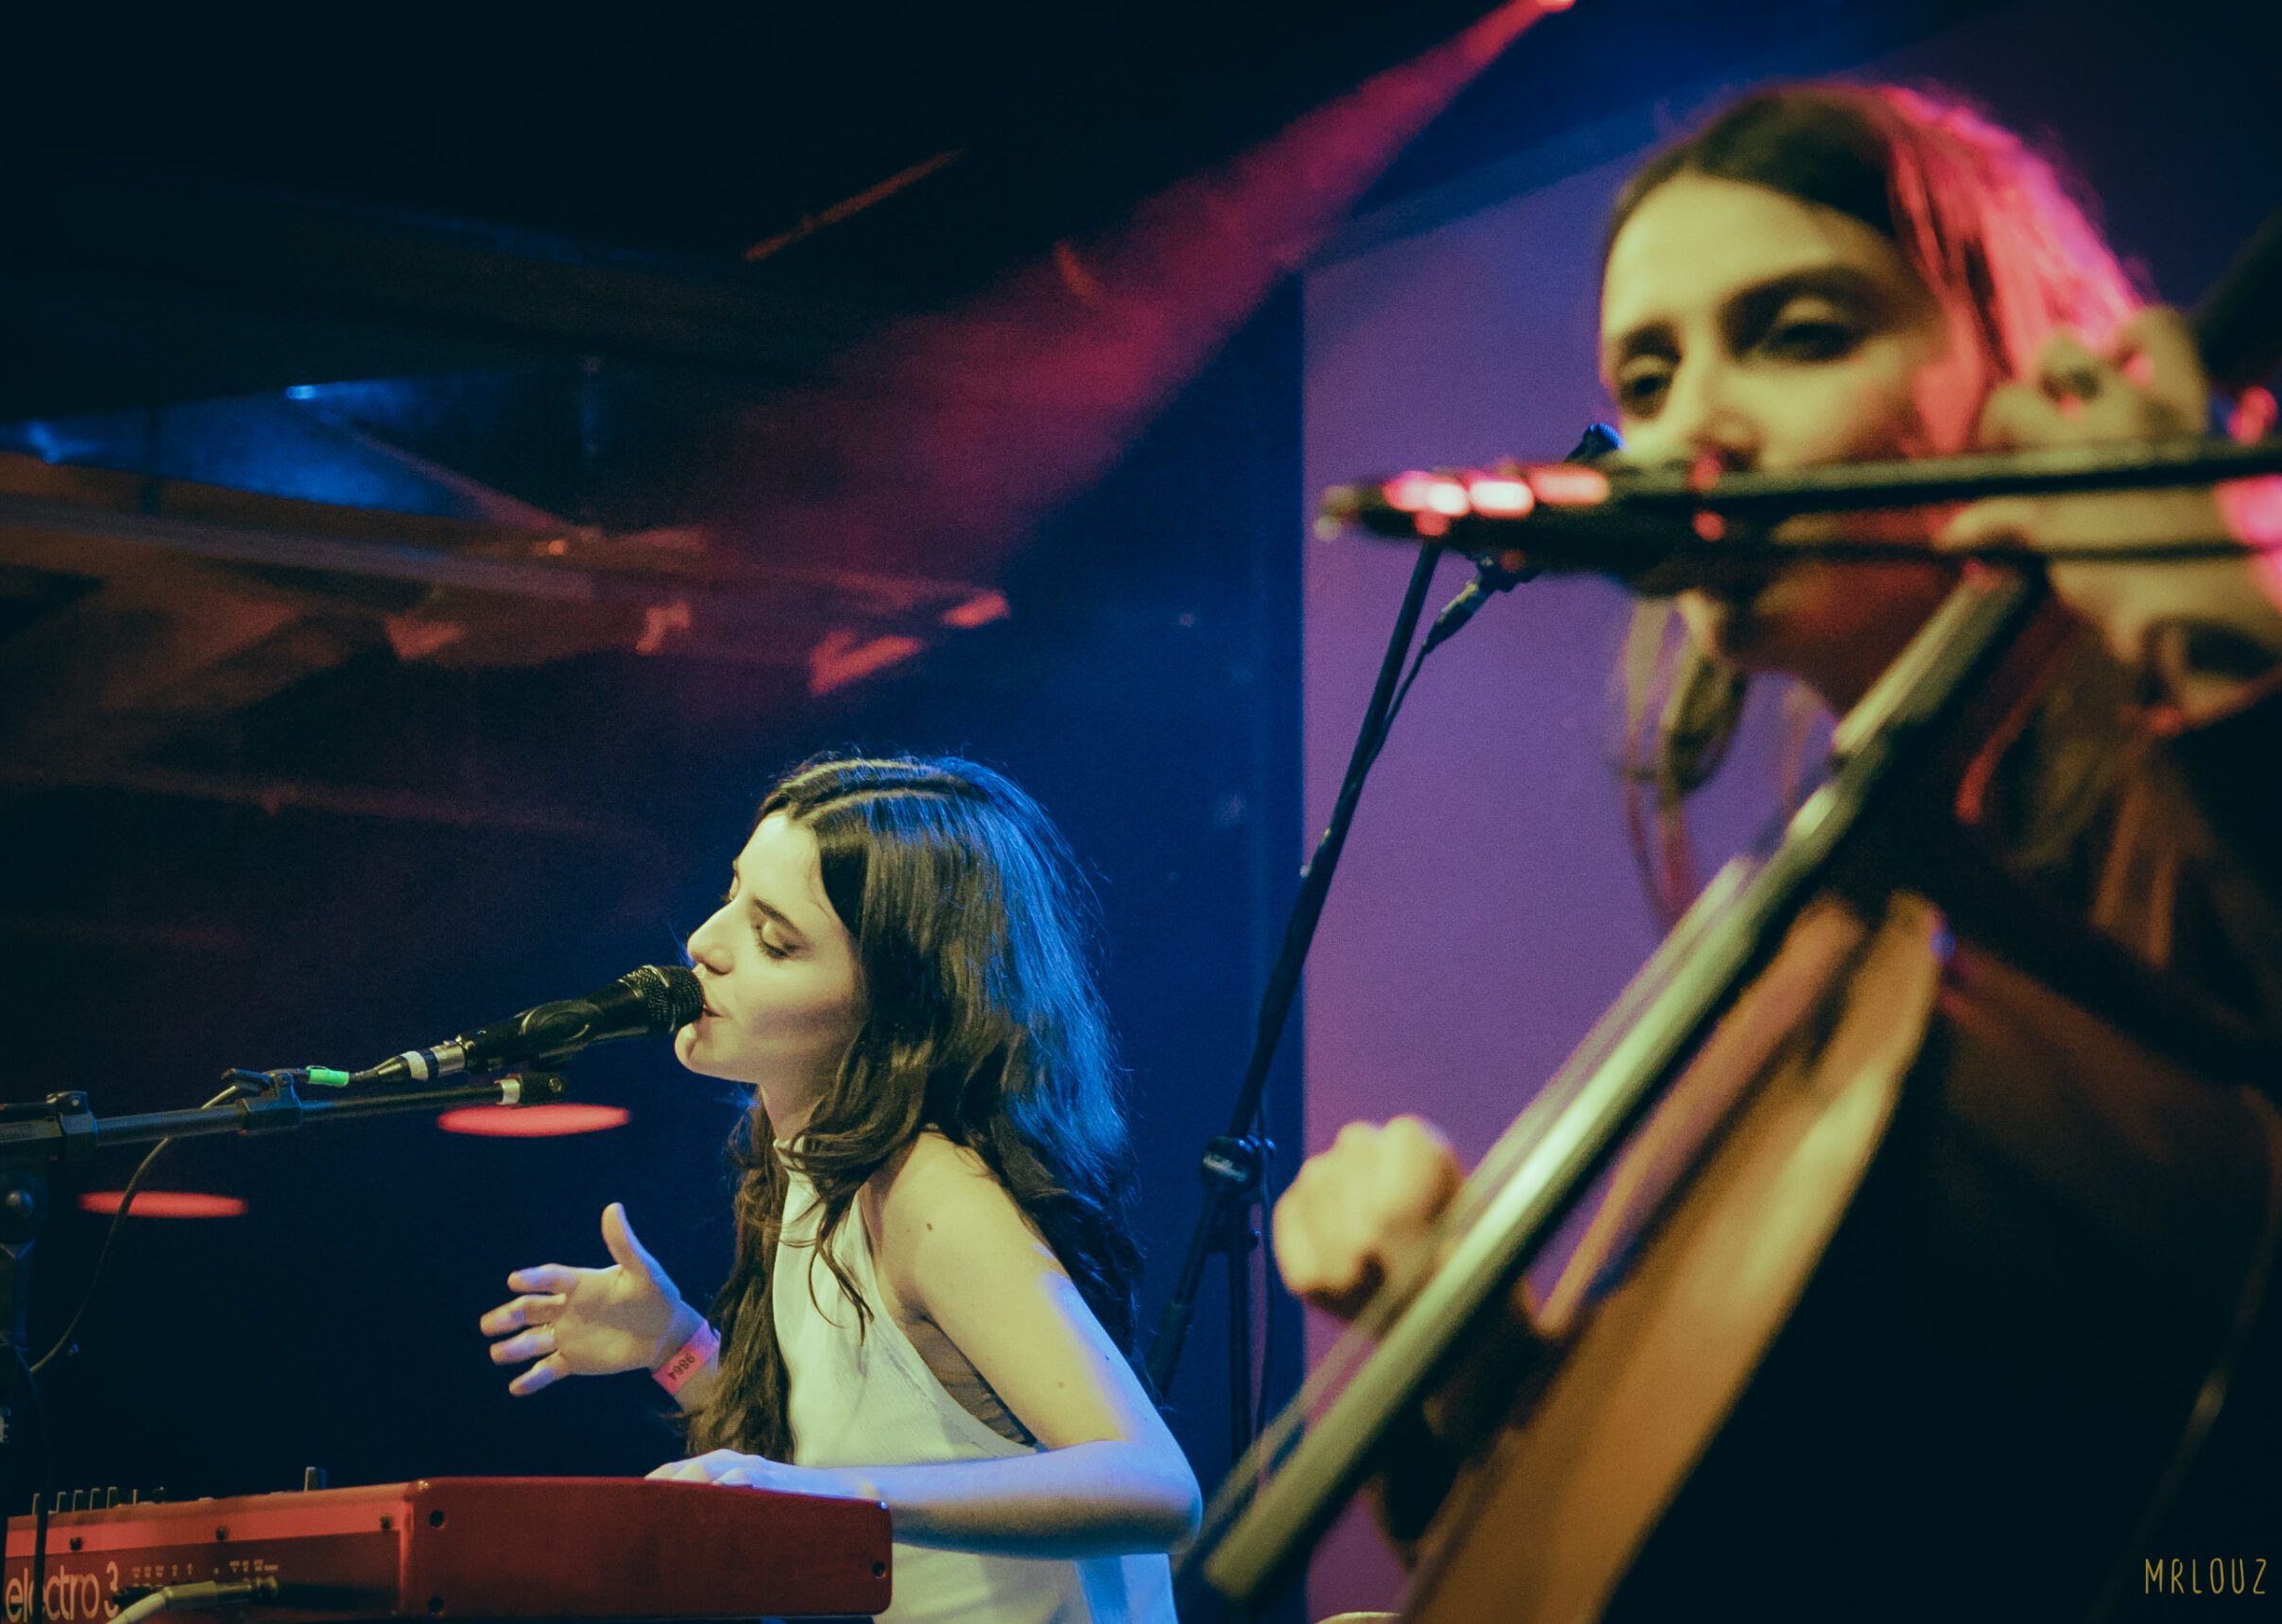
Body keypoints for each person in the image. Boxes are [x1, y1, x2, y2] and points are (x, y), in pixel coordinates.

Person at [1270, 81, 2282, 1612]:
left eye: (1799, 333)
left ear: (2018, 369)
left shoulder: (2204, 740)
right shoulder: (1872, 895)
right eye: (1650, 377)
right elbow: (1754, 1528)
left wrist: (2224, 666)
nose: (1695, 433)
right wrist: (1472, 1352)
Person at [479, 754, 1199, 1624]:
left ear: (893, 1003)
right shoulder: (811, 1166)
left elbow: (1155, 1484)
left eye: (774, 938)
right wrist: (676, 1345)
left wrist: (840, 1498)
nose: (705, 942)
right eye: (732, 891)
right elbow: (848, 1452)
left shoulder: (932, 1191)